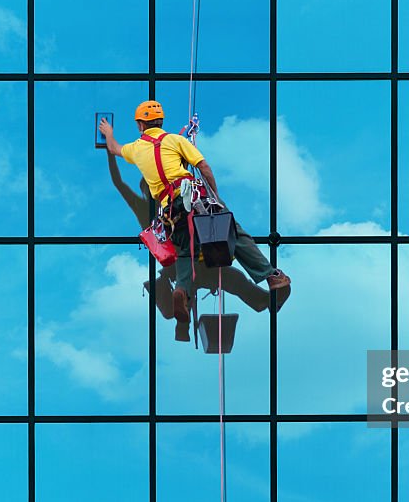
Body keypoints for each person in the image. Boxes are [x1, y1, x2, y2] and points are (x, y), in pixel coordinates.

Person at [99, 101, 291, 342]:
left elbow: (115, 149)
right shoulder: (175, 141)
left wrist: (108, 134)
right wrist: (216, 197)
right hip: (195, 200)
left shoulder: (137, 149)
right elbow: (204, 167)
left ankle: (181, 290)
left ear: (140, 125)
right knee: (233, 233)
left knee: (184, 251)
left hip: (171, 212)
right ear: (161, 122)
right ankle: (271, 276)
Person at [103, 146, 282, 321]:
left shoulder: (151, 209)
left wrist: (109, 151)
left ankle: (183, 314)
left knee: (224, 279)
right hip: (200, 261)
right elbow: (119, 183)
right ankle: (262, 300)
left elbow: (119, 183)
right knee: (234, 278)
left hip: (181, 267)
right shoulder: (166, 205)